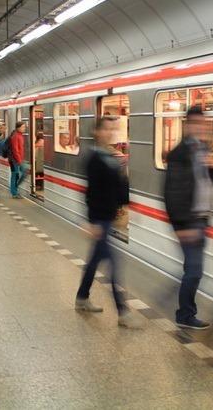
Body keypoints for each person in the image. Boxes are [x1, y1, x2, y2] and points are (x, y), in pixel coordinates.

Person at [75, 117, 142, 328]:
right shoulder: (94, 158)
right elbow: (90, 192)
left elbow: (120, 186)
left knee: (94, 261)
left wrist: (129, 204)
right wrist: (90, 221)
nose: (110, 132)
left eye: (113, 129)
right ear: (97, 132)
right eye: (106, 129)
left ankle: (82, 298)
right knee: (114, 264)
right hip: (99, 219)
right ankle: (123, 312)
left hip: (108, 217)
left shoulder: (111, 156)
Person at [164, 106, 213, 330]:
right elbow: (172, 191)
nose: (200, 127)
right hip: (189, 221)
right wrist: (181, 225)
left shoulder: (203, 149)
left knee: (194, 270)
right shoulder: (179, 153)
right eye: (196, 123)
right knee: (194, 270)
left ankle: (185, 311)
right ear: (187, 125)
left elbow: (210, 182)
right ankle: (185, 314)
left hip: (202, 218)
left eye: (203, 123)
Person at [8, 122, 26, 198]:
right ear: (18, 128)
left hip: (19, 159)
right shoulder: (15, 136)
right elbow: (15, 150)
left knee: (23, 173)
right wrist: (19, 161)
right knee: (14, 175)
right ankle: (14, 192)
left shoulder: (20, 135)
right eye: (23, 127)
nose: (24, 128)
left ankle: (15, 187)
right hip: (14, 160)